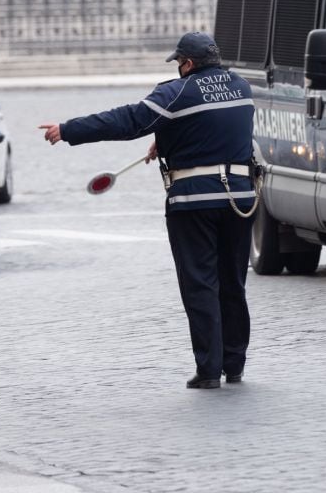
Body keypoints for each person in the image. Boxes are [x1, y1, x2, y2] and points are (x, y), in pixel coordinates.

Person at [40, 32, 257, 390]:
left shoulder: (177, 92)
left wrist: (68, 129)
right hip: (240, 199)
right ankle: (234, 365)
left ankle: (208, 370)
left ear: (187, 63)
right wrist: (170, 136)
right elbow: (219, 127)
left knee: (200, 284)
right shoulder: (241, 87)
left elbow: (126, 121)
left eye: (179, 63)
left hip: (193, 203)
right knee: (233, 282)